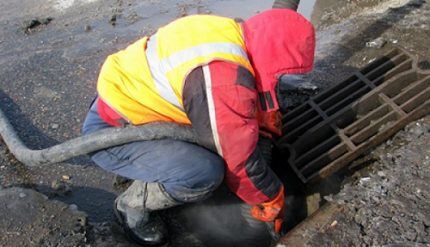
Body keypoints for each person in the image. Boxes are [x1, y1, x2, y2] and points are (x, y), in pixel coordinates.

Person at [82, 0, 314, 245]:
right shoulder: (223, 80)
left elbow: (229, 99)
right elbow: (240, 163)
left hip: (134, 101)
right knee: (204, 172)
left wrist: (261, 113)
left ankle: (163, 170)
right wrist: (269, 197)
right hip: (114, 133)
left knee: (225, 138)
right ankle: (131, 207)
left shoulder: (230, 32)